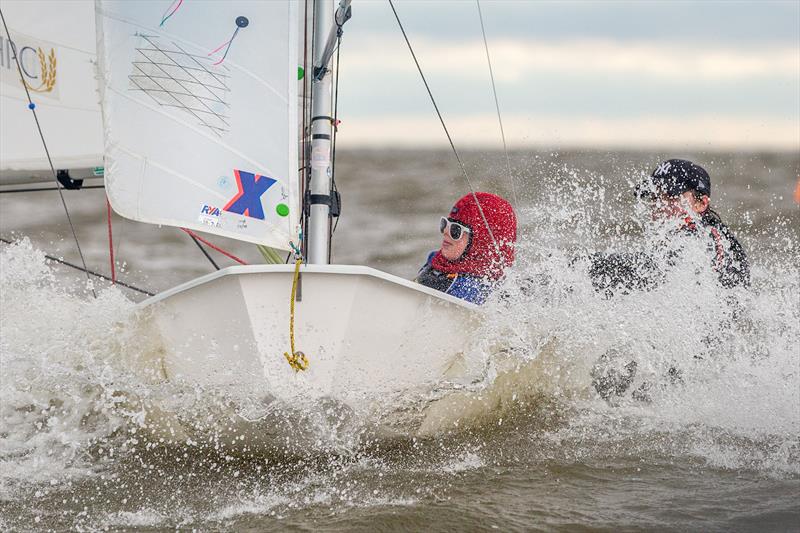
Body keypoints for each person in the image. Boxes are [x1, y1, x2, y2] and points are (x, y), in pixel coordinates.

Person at [590, 158, 750, 295]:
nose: (659, 205)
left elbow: (657, 270)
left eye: (670, 197)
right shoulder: (703, 233)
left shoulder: (703, 238)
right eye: (655, 197)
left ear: (701, 204)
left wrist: (587, 266)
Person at [415, 192, 516, 304]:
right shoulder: (434, 260)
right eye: (445, 224)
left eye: (456, 230)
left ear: (481, 241)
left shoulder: (479, 291)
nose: (446, 232)